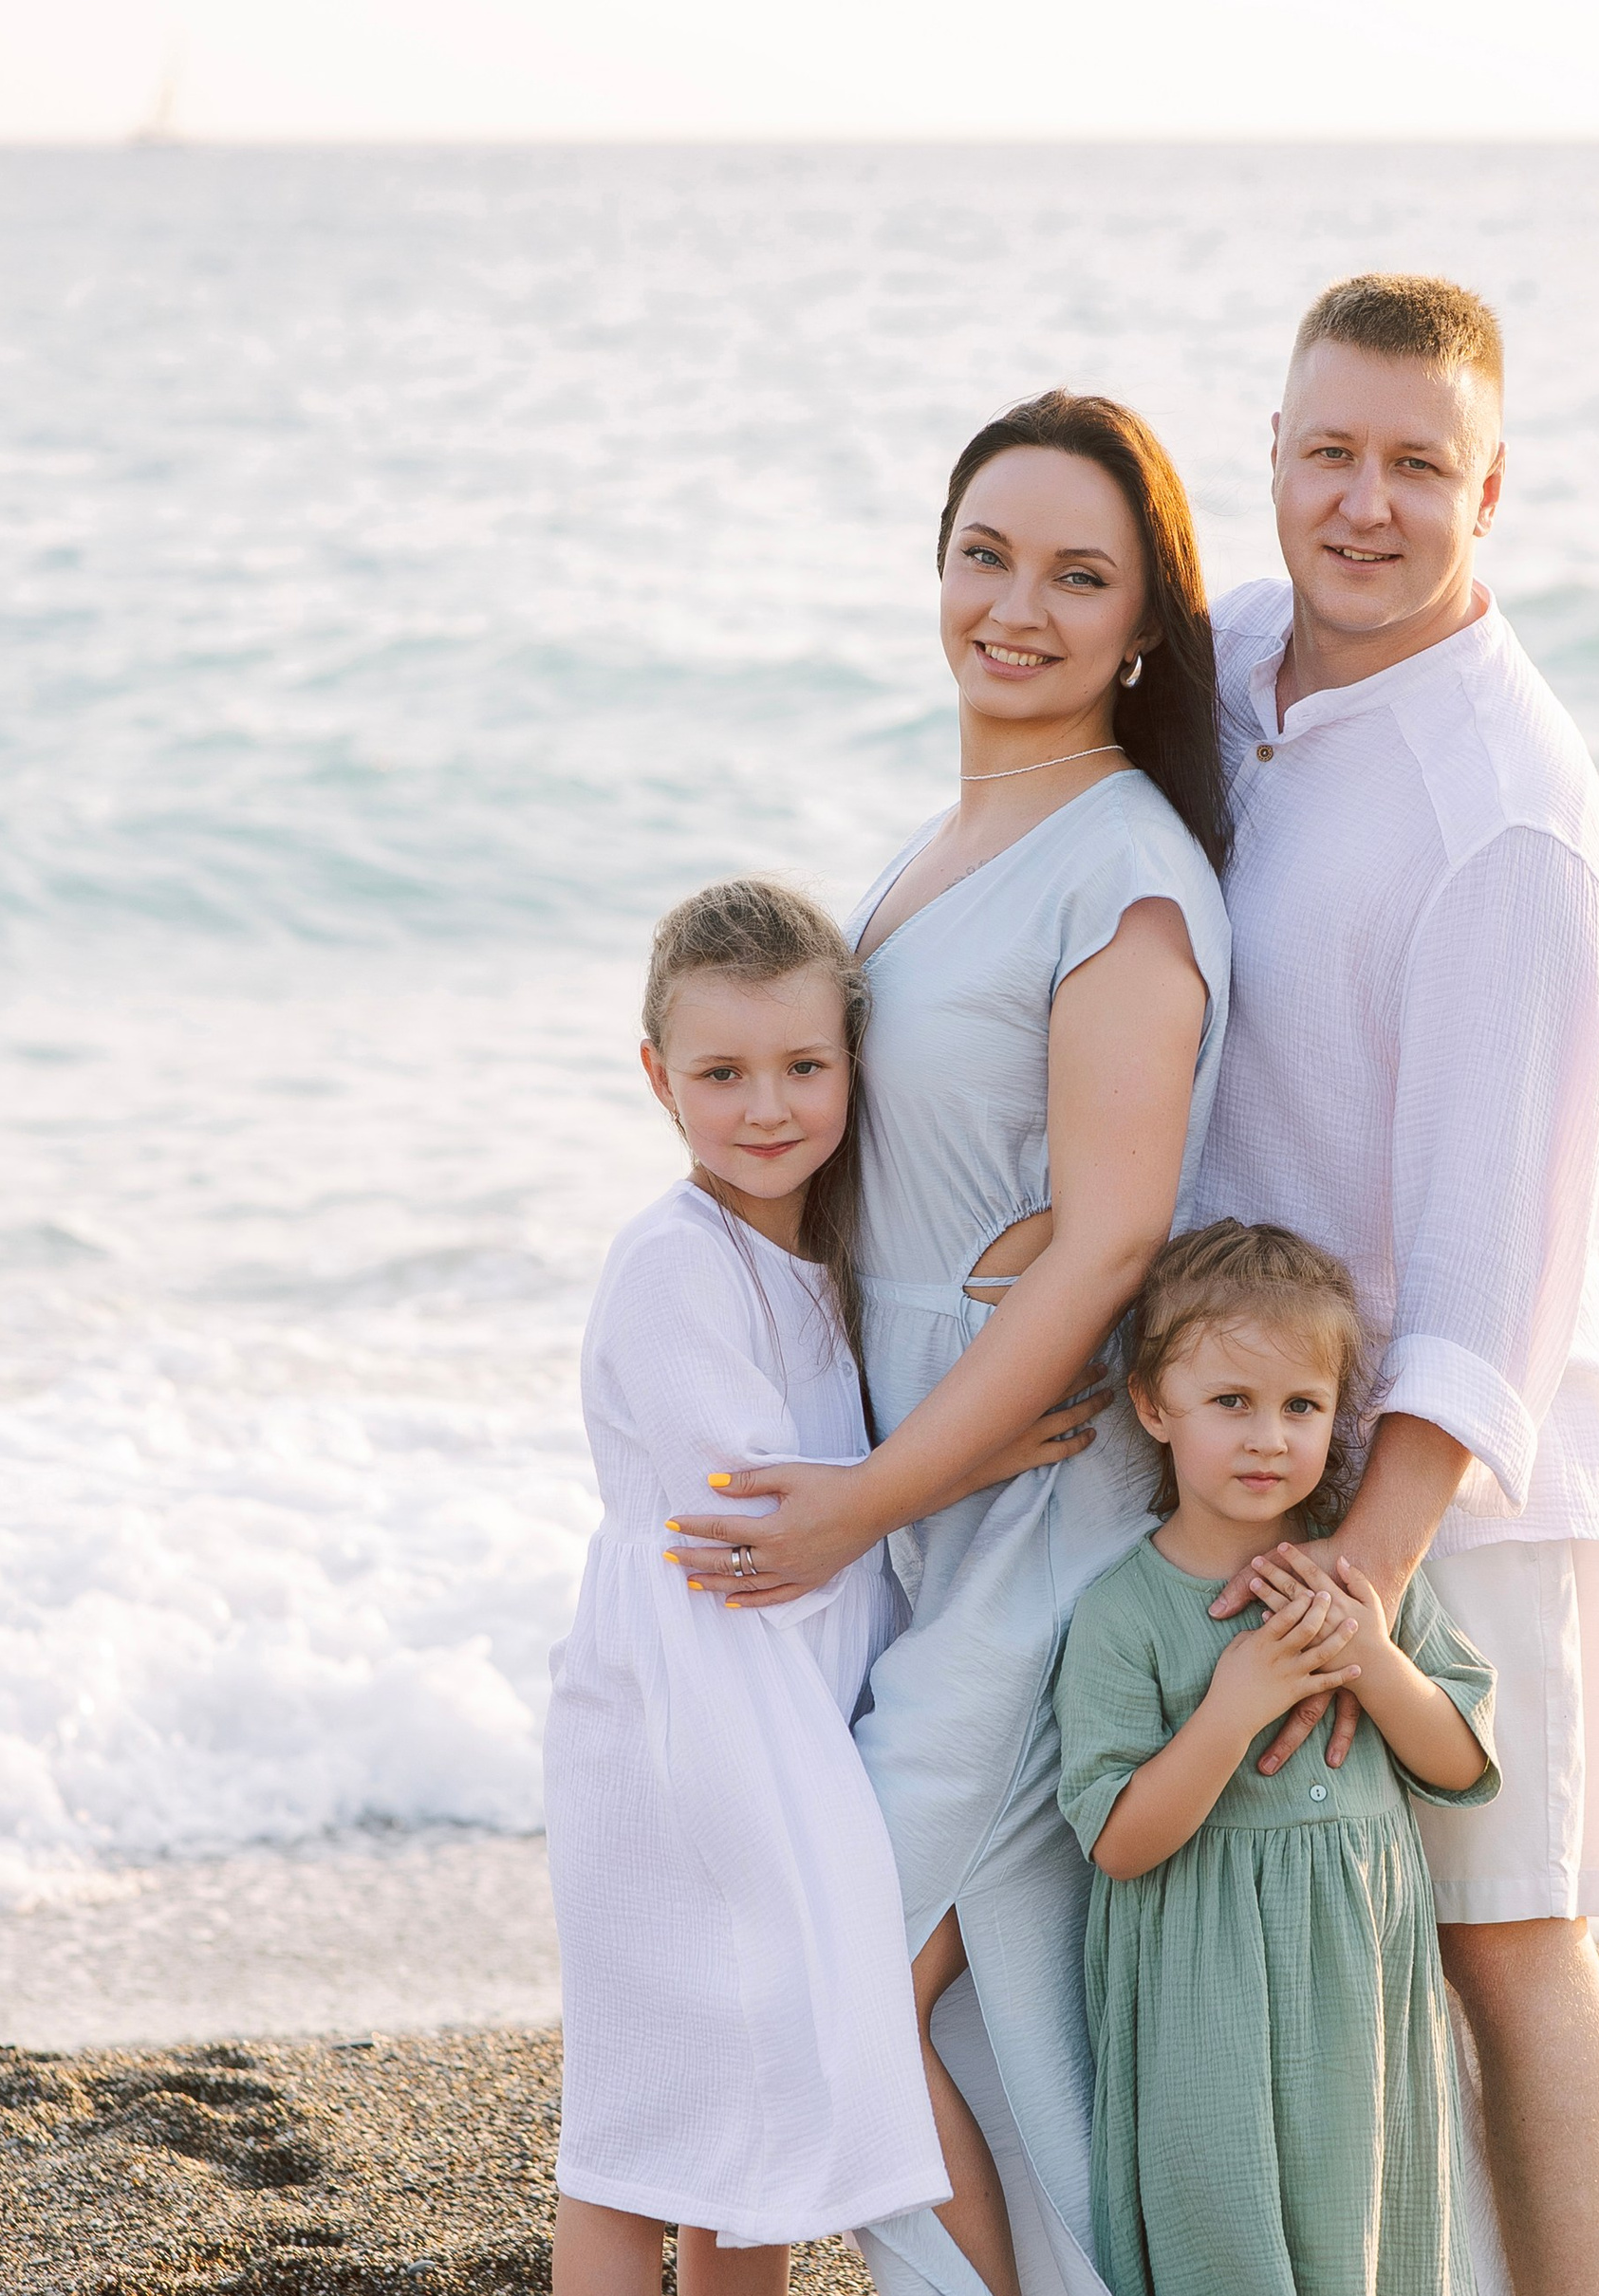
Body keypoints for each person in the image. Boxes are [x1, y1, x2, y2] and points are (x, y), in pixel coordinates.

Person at [1191, 275, 1599, 2296]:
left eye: (1413, 465)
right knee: (1351, 1932)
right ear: (1264, 459)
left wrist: (1369, 1566)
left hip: (1462, 1481)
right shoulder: (1241, 656)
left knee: (1506, 1935)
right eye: (1324, 451)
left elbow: (1499, 1260)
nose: (1361, 502)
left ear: (1489, 489)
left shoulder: (1503, 807)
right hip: (1260, 1433)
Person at [667, 392, 1232, 2296]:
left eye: (1079, 573)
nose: (1018, 603)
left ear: (1144, 622)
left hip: (1030, 1519)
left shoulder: (1123, 870)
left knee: (828, 1984)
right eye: (984, 552)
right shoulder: (947, 837)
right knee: (975, 2025)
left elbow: (1115, 1233)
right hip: (923, 1489)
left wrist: (869, 1499)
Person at [545, 877, 1100, 2296]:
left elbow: (832, 1504)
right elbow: (763, 1531)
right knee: (643, 2124)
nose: (769, 1107)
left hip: (770, 1710)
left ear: (856, 1065)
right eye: (723, 1073)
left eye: (804, 1067)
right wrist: (959, 1461)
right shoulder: (677, 1263)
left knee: (761, 2120)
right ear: (659, 1079)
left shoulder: (814, 1253)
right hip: (686, 1726)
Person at [1055, 1220, 1499, 2296]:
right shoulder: (1126, 1611)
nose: (1267, 1437)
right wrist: (1234, 1702)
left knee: (1366, 2219)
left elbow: (1460, 1763)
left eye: (1300, 1405)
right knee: (1224, 2220)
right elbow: (1117, 1842)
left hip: (1357, 1957)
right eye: (1229, 1403)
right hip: (1202, 1971)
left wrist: (1374, 1660)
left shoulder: (1357, 1582)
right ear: (1153, 1406)